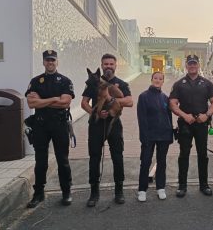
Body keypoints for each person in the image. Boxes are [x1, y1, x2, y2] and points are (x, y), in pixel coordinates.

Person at [81, 53, 133, 207]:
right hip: (96, 125)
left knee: (117, 157)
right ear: (101, 65)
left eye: (111, 64)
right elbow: (84, 103)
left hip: (114, 124)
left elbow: (129, 101)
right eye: (106, 64)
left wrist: (111, 100)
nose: (108, 67)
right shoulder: (93, 81)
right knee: (94, 158)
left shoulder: (121, 83)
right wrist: (95, 112)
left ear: (116, 66)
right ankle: (94, 193)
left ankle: (119, 191)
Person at [25, 50, 75, 208]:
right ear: (43, 62)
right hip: (40, 125)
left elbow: (65, 103)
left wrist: (43, 100)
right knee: (40, 161)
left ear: (57, 62)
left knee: (63, 160)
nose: (50, 62)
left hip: (59, 125)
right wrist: (54, 99)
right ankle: (38, 193)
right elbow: (31, 104)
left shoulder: (65, 81)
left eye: (52, 60)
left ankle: (66, 192)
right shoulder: (35, 81)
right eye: (47, 60)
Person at [169, 55, 213, 197]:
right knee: (184, 155)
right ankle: (182, 186)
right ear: (186, 65)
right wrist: (185, 116)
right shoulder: (179, 84)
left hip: (201, 123)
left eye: (194, 64)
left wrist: (207, 115)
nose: (192, 66)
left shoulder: (207, 83)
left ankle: (204, 185)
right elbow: (172, 103)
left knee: (203, 155)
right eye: (190, 64)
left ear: (198, 65)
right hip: (185, 124)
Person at [137, 72, 173, 202]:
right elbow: (141, 119)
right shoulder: (143, 97)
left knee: (161, 162)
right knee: (145, 162)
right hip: (149, 136)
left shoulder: (165, 97)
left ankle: (160, 187)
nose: (158, 80)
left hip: (164, 135)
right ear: (151, 79)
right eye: (155, 78)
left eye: (160, 79)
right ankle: (142, 189)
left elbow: (169, 117)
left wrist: (170, 135)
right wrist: (144, 137)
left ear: (163, 81)